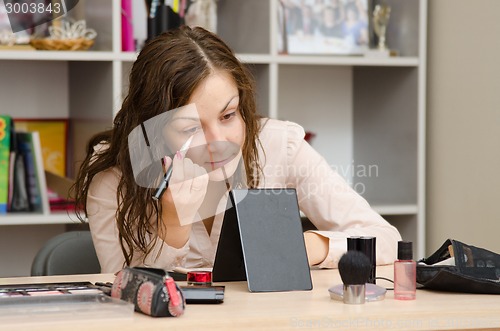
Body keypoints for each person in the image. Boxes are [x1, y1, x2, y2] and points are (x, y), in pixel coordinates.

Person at [72, 25, 401, 274]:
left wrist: (311, 245)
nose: (220, 140)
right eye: (191, 127)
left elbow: (388, 241)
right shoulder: (112, 183)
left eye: (228, 115)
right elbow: (121, 295)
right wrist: (173, 227)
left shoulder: (277, 145)